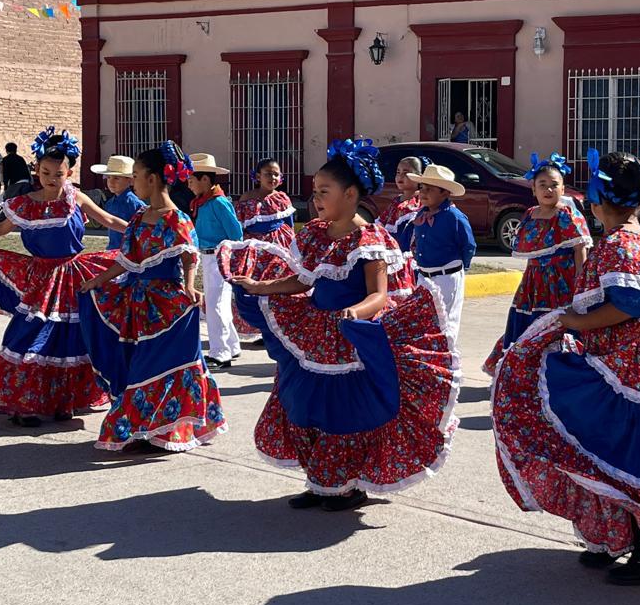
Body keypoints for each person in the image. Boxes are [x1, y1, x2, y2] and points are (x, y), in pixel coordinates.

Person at [490, 147, 640, 585]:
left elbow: (630, 305)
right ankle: (618, 533)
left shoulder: (619, 246)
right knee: (612, 443)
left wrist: (574, 320)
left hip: (632, 365)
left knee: (635, 448)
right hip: (630, 360)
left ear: (599, 202)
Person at [229, 137, 461, 511]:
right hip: (315, 333)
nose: (316, 198)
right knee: (301, 402)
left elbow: (379, 295)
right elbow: (303, 280)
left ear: (351, 194)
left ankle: (347, 485)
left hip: (349, 339)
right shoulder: (316, 234)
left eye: (325, 191)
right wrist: (260, 287)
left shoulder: (369, 239)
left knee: (344, 411)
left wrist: (356, 312)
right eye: (315, 191)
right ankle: (320, 480)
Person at [0, 127, 127, 427]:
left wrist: (143, 232)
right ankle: (23, 405)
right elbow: (0, 230)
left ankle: (64, 401)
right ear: (36, 170)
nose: (52, 178)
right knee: (30, 337)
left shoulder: (75, 198)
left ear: (69, 172)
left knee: (72, 339)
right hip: (41, 278)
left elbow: (109, 220)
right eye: (46, 172)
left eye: (59, 173)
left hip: (74, 275)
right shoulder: (24, 204)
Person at [79, 142, 226, 452]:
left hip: (169, 305)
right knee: (137, 364)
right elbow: (126, 259)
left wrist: (189, 285)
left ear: (155, 179)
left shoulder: (177, 219)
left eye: (137, 175)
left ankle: (165, 429)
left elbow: (188, 255)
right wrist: (97, 280)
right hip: (139, 302)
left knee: (163, 365)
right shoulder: (138, 218)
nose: (134, 182)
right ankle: (146, 428)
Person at [483, 152, 591, 376]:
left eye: (554, 185)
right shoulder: (530, 214)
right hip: (532, 282)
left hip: (560, 282)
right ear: (533, 189)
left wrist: (581, 285)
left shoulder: (566, 215)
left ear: (563, 189)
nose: (548, 190)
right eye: (542, 184)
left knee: (556, 325)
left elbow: (580, 249)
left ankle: (559, 374)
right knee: (527, 324)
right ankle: (523, 373)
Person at [185, 153, 244, 371]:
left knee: (215, 304)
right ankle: (231, 344)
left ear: (205, 180)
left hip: (218, 257)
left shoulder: (218, 202)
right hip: (208, 256)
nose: (189, 184)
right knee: (219, 303)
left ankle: (220, 353)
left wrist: (228, 256)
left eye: (192, 180)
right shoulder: (204, 202)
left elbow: (236, 233)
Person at [230, 158, 298, 340]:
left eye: (276, 174)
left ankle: (279, 323)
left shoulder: (282, 198)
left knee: (277, 285)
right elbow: (240, 227)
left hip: (279, 247)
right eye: (268, 174)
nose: (273, 177)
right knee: (255, 285)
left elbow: (289, 225)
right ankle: (259, 327)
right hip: (256, 251)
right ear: (258, 176)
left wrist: (293, 249)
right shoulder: (247, 198)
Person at [408, 162, 476, 338]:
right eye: (422, 188)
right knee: (423, 320)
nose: (423, 193)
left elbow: (468, 245)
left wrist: (459, 270)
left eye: (430, 189)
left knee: (446, 322)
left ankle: (448, 359)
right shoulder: (421, 214)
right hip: (424, 275)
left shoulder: (454, 217)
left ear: (445, 193)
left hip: (447, 276)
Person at [89, 155, 145, 250]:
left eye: (116, 178)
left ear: (130, 181)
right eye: (109, 177)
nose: (111, 182)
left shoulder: (135, 203)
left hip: (129, 252)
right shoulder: (110, 203)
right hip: (113, 249)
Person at [377, 157, 426, 255]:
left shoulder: (421, 202)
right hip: (393, 251)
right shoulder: (396, 200)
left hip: (411, 254)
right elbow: (382, 223)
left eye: (405, 173)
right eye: (398, 172)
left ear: (418, 177)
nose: (400, 176)